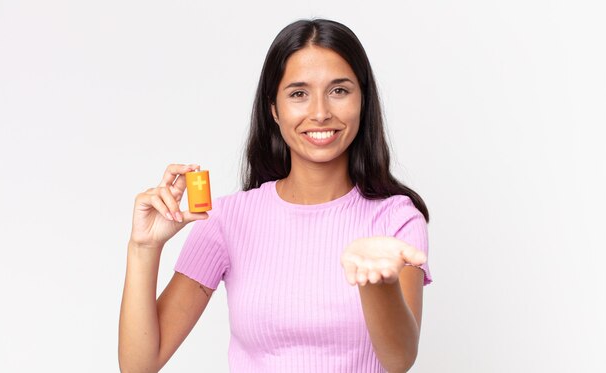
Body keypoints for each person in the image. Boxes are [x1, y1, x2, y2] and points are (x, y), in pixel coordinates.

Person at [119, 18, 432, 373]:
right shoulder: (227, 220)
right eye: (299, 93)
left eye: (339, 91)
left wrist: (379, 282)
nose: (319, 113)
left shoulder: (396, 219)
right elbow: (138, 366)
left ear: (362, 100)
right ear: (274, 109)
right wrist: (144, 248)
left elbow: (399, 359)